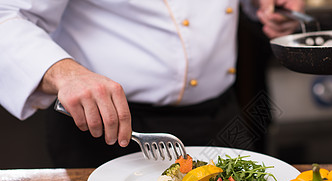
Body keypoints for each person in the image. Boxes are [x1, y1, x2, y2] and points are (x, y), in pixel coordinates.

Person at [0, 0, 304, 167]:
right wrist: (65, 73)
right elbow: (8, 15)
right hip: (110, 128)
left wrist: (267, 5)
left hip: (219, 117)